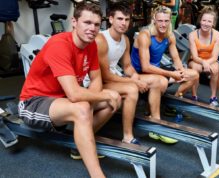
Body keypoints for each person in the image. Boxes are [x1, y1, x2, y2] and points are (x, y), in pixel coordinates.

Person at [18, 3, 121, 178]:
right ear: (74, 22)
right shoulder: (59, 45)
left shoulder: (91, 46)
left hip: (63, 100)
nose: (92, 29)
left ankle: (78, 145)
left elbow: (96, 80)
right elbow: (74, 94)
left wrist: (96, 98)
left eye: (96, 25)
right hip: (34, 103)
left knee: (115, 99)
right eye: (87, 22)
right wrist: (99, 96)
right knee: (82, 107)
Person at [90, 2, 167, 144]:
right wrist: (134, 81)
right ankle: (127, 136)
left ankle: (156, 123)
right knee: (132, 89)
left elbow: (127, 66)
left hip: (115, 77)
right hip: (99, 81)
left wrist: (135, 76)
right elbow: (105, 76)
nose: (123, 23)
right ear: (111, 19)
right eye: (120, 19)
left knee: (157, 80)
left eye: (126, 19)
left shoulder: (125, 39)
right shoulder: (101, 40)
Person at [131, 5, 197, 141]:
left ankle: (172, 102)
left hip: (157, 72)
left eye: (166, 21)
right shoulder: (145, 35)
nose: (163, 24)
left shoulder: (170, 35)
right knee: (160, 81)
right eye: (160, 21)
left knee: (193, 74)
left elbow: (176, 59)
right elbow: (145, 67)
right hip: (139, 73)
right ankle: (155, 125)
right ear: (154, 19)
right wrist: (171, 75)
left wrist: (180, 72)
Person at [188, 6, 219, 106]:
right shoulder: (192, 35)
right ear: (200, 20)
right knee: (195, 68)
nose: (206, 23)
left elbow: (215, 57)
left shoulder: (217, 35)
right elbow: (194, 56)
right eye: (204, 20)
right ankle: (194, 96)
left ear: (213, 23)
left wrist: (207, 63)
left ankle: (213, 97)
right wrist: (203, 63)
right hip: (196, 60)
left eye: (209, 21)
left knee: (215, 69)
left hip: (211, 60)